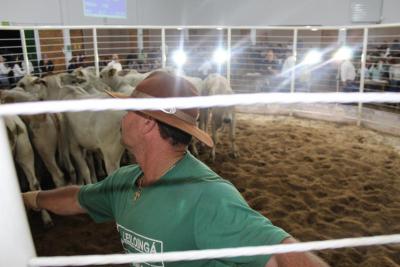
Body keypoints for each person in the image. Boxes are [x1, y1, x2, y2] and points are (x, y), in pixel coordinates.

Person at [22, 71, 329, 267]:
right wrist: (27, 197)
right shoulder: (124, 181)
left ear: (146, 123)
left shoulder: (207, 195)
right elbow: (78, 198)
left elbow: (287, 255)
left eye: (128, 110)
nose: (122, 118)